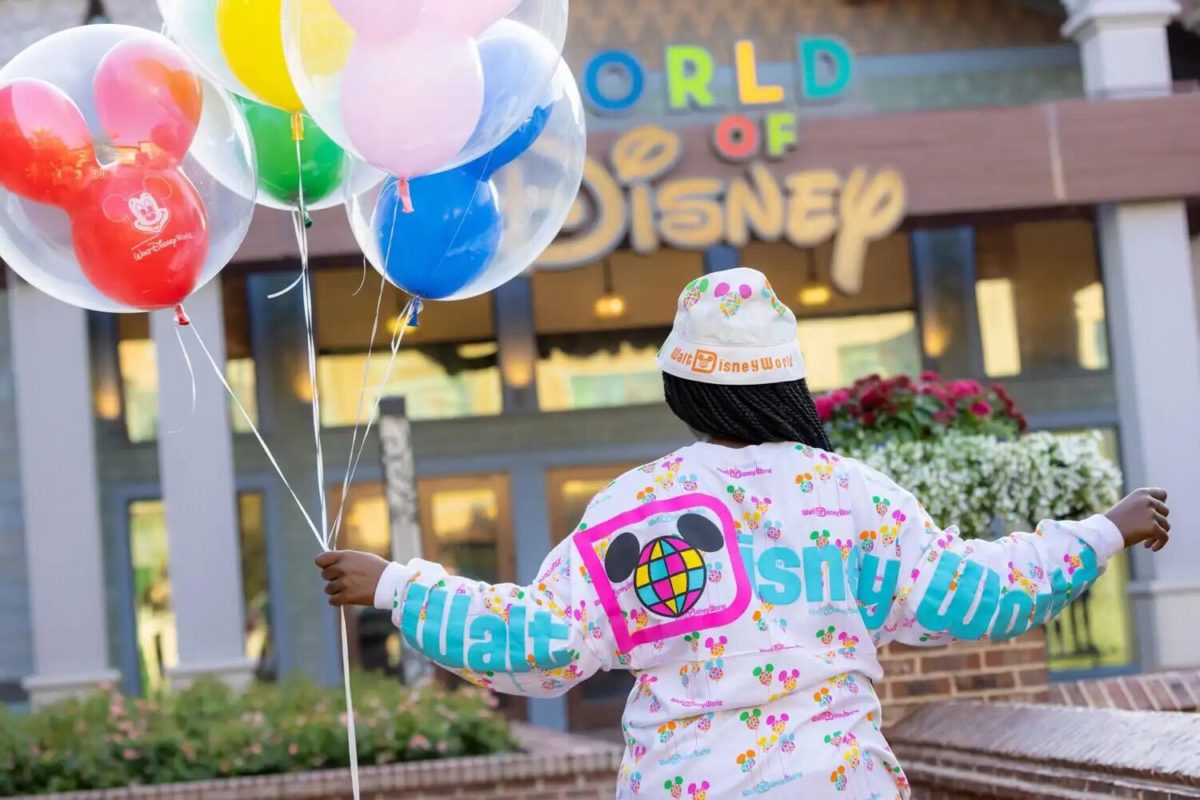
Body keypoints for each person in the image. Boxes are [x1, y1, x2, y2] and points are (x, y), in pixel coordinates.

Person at [317, 267, 1171, 799]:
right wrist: (1105, 530)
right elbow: (979, 595)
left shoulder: (635, 509)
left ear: (682, 390)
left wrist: (395, 585)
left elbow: (542, 644)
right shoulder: (851, 497)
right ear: (789, 384)